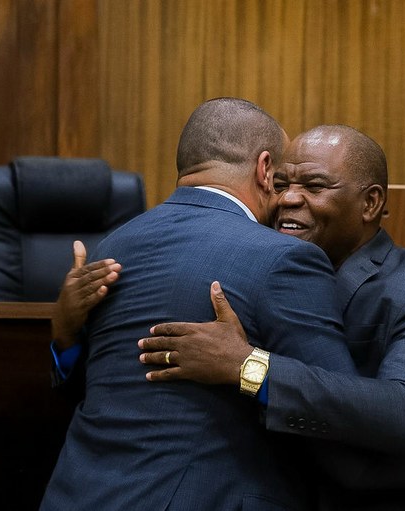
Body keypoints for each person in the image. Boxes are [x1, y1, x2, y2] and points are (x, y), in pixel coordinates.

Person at [55, 124, 405, 509]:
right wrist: (65, 335)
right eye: (282, 183)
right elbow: (116, 388)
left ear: (371, 202)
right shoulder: (245, 261)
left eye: (314, 186)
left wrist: (248, 367)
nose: (287, 198)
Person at [40, 98, 359, 511]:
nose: (285, 198)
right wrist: (249, 367)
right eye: (281, 181)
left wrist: (64, 336)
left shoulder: (114, 247)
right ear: (264, 170)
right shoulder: (284, 258)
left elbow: (97, 391)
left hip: (78, 495)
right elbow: (340, 410)